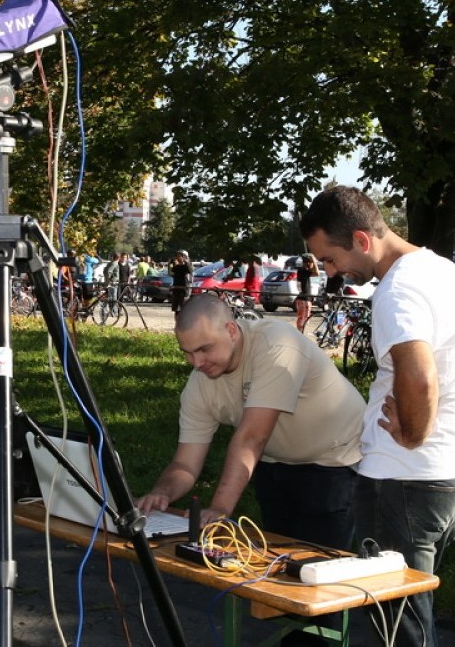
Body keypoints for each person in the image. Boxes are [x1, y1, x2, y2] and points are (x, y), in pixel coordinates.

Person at [300, 185, 455, 647]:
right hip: (440, 476)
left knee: (395, 627)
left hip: (401, 478)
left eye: (329, 258)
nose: (330, 272)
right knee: (412, 615)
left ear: (363, 241)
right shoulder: (442, 270)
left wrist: (412, 433)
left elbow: (419, 374)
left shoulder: (397, 290)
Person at [137, 294, 364, 553]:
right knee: (277, 559)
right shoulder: (199, 386)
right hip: (273, 461)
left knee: (319, 566)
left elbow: (251, 438)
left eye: (204, 349)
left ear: (231, 331)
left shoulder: (276, 345)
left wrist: (220, 509)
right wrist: (162, 492)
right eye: (187, 353)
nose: (196, 363)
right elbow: (185, 463)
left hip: (334, 458)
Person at [295, 253, 319, 333]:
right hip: (304, 299)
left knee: (303, 319)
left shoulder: (303, 271)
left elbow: (314, 273)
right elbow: (317, 273)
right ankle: (300, 335)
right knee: (303, 319)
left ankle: (301, 334)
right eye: (312, 262)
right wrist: (314, 261)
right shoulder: (303, 270)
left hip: (303, 298)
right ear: (308, 263)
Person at [168, 250, 193, 316]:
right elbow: (170, 273)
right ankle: (177, 324)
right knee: (176, 310)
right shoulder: (176, 267)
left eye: (179, 256)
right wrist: (170, 264)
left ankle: (184, 324)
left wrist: (184, 262)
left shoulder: (187, 266)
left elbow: (190, 270)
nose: (177, 258)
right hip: (176, 288)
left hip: (184, 289)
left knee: (184, 309)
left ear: (184, 257)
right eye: (177, 256)